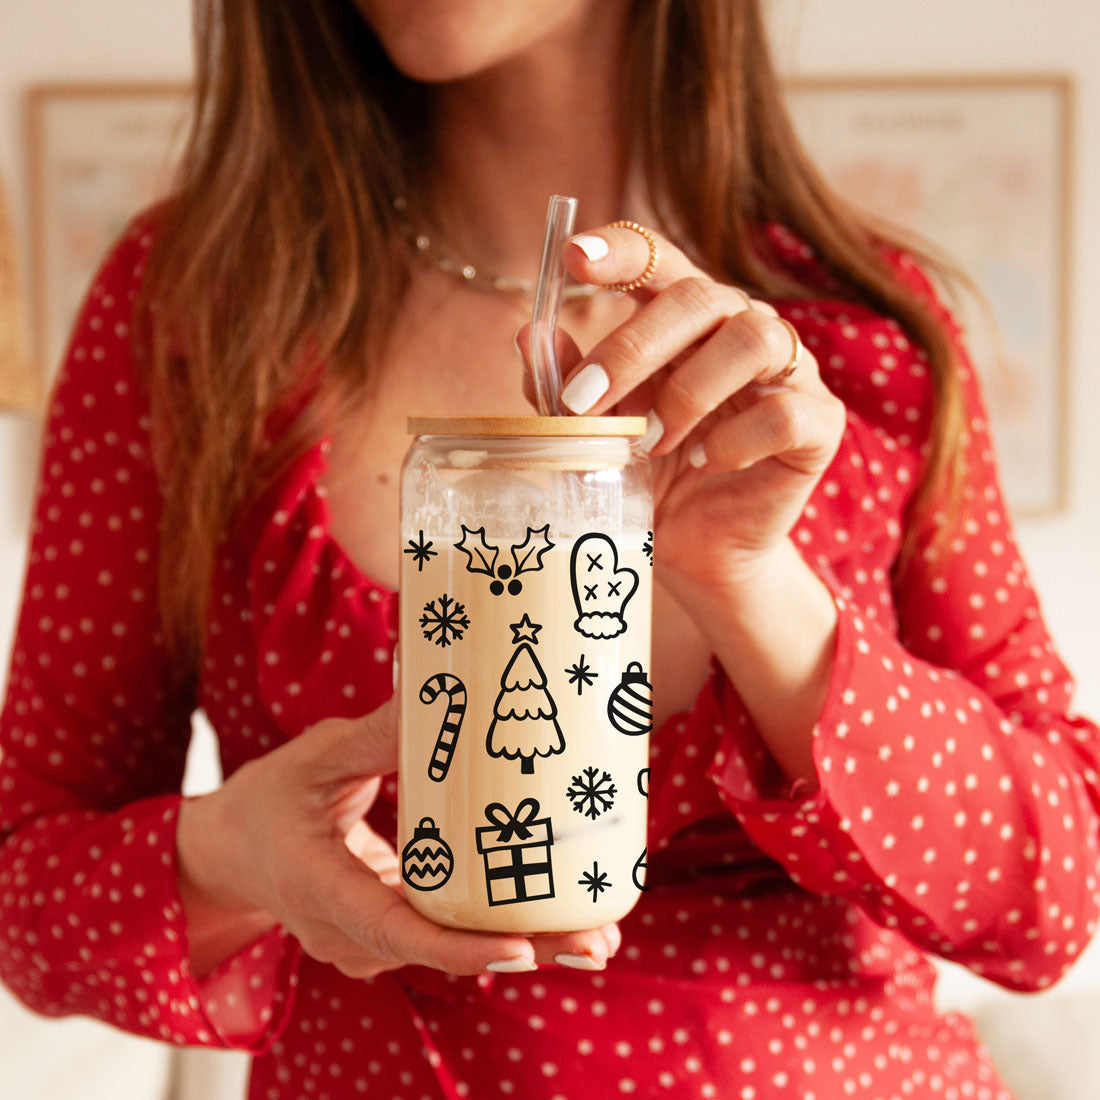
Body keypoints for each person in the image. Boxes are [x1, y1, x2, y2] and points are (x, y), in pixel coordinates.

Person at [1, 1, 1096, 1097]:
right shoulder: (195, 316)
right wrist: (241, 851)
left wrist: (753, 585)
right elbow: (26, 894)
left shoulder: (868, 338)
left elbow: (1053, 900)